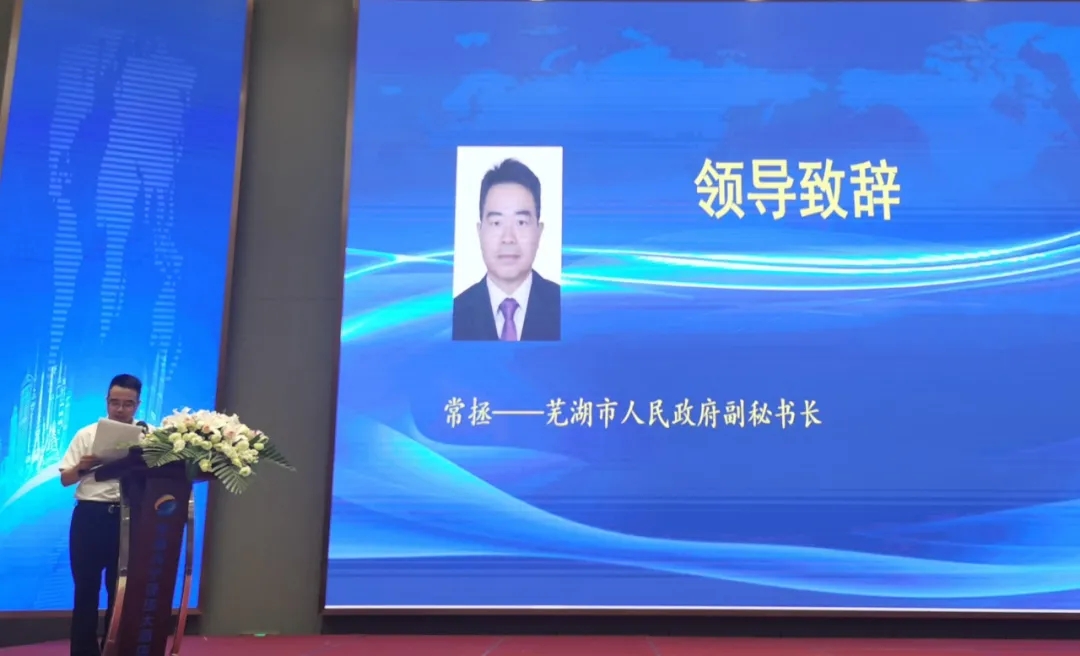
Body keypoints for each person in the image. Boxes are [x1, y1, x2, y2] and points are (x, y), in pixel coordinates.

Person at [59, 374, 143, 656]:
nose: (120, 409)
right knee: (86, 589)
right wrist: (84, 467)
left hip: (130, 517)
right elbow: (66, 479)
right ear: (106, 401)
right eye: (114, 402)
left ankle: (116, 649)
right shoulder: (87, 434)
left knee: (121, 592)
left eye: (127, 404)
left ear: (137, 405)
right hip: (90, 517)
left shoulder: (149, 436)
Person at [452, 158, 561, 341]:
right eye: (496, 223)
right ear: (479, 232)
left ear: (539, 232)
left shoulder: (564, 306)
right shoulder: (454, 313)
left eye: (521, 222)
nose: (508, 238)